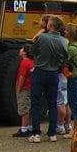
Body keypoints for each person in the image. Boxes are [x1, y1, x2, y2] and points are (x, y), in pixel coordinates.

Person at [29, 15, 68, 143]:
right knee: (53, 103)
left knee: (36, 103)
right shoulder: (64, 41)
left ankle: (36, 132)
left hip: (40, 71)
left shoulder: (42, 38)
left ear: (50, 25)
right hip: (54, 73)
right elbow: (65, 58)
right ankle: (52, 133)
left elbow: (32, 51)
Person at [12, 44, 34, 137]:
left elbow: (22, 76)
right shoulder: (33, 62)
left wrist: (18, 88)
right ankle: (30, 127)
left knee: (24, 109)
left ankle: (24, 129)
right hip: (31, 87)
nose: (20, 50)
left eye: (22, 49)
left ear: (25, 52)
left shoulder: (24, 63)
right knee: (30, 108)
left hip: (24, 88)